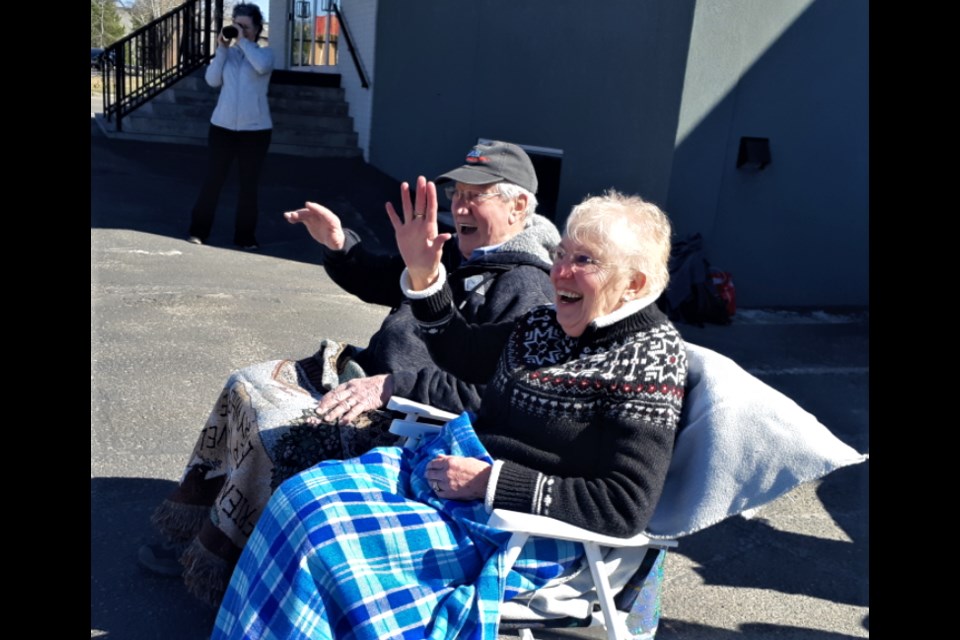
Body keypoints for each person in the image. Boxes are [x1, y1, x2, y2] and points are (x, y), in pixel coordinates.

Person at [211, 187, 688, 639]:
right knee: (299, 497)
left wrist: (490, 482)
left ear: (635, 284)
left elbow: (625, 505)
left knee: (326, 539)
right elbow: (460, 353)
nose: (559, 273)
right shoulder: (551, 322)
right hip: (460, 484)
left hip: (525, 530)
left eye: (583, 261)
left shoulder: (648, 359)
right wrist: (424, 274)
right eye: (560, 254)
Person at [140, 140, 561, 608]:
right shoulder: (467, 251)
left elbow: (489, 393)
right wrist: (339, 244)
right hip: (367, 378)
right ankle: (207, 518)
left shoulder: (526, 285)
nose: (457, 205)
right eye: (457, 193)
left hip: (408, 416)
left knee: (281, 434)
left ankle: (233, 559)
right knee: (248, 383)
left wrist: (390, 387)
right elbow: (382, 277)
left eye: (474, 195)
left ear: (519, 205)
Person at [187, 2, 273, 250]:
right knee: (212, 181)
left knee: (249, 186)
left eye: (245, 26)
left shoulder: (265, 53)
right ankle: (198, 231)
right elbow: (212, 80)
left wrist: (243, 41)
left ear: (256, 29)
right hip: (222, 128)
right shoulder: (229, 55)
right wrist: (222, 49)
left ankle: (245, 237)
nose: (239, 30)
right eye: (236, 24)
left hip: (255, 131)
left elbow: (261, 67)